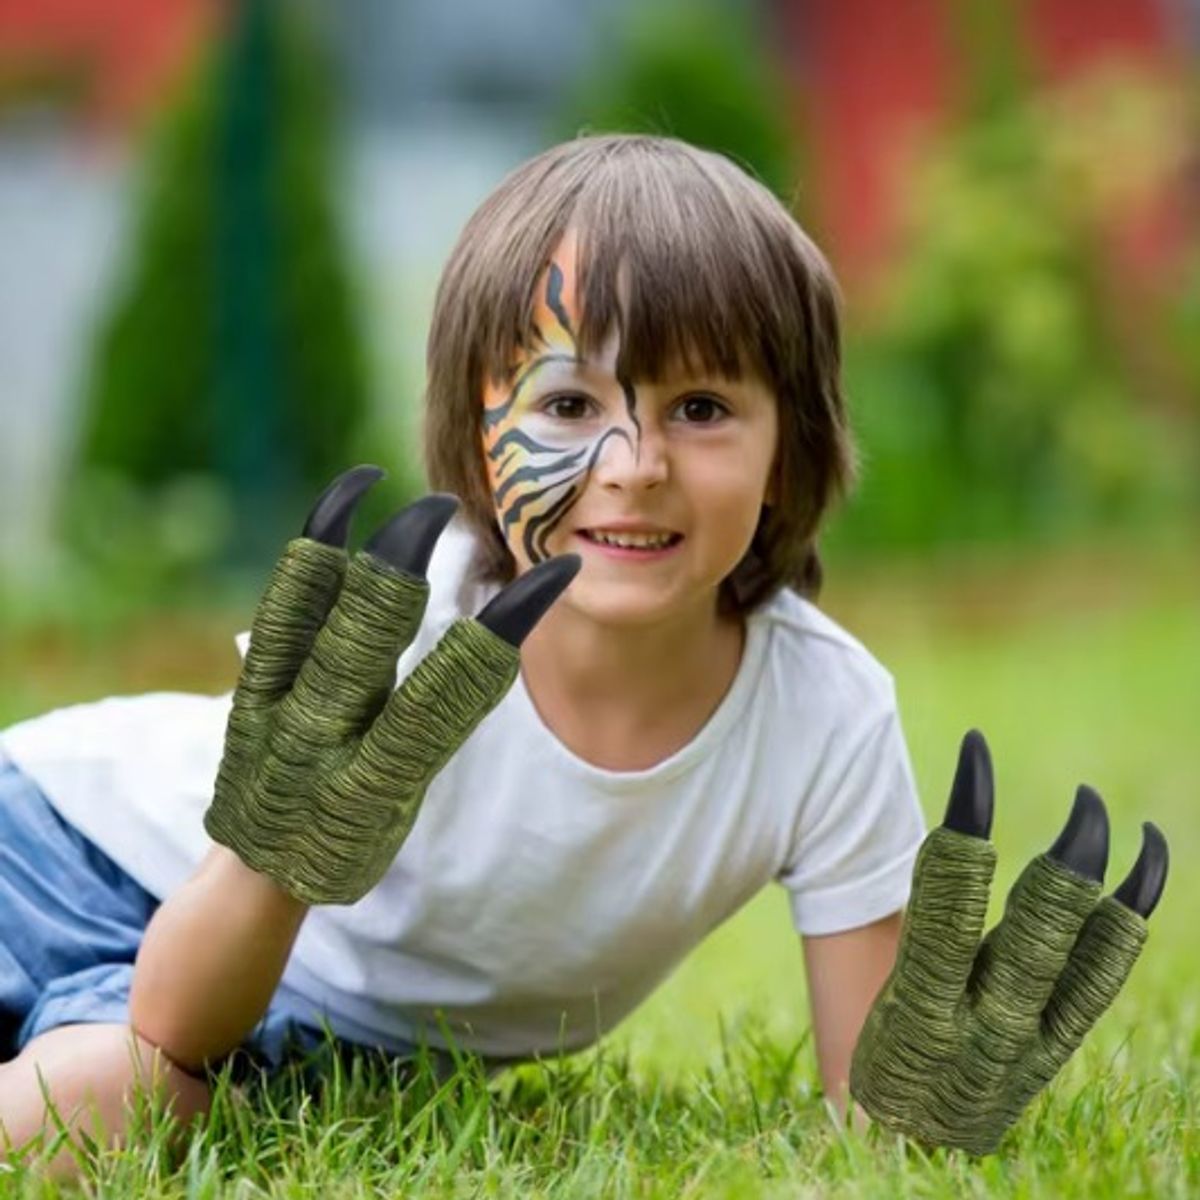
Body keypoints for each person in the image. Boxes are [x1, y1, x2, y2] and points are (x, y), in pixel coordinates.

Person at [0, 133, 932, 1178]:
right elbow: (173, 1014)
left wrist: (936, 1092)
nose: (635, 465)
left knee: (102, 1109)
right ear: (479, 437)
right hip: (60, 847)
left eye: (702, 408)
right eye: (570, 405)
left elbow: (883, 1119)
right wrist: (289, 842)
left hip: (293, 1026)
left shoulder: (825, 716)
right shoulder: (409, 631)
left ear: (789, 447)